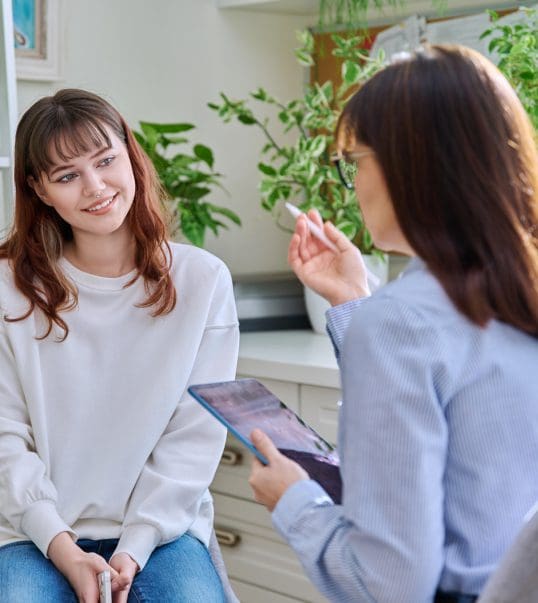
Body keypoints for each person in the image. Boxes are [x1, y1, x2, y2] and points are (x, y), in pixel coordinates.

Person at [248, 44, 538, 603]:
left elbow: (391, 585)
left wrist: (295, 500)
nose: (353, 183)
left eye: (355, 161)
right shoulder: (513, 294)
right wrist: (354, 298)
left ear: (410, 166)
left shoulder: (400, 322)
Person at [0, 89, 239, 602]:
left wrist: (132, 549)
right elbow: (5, 441)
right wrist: (64, 548)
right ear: (39, 190)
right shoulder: (8, 287)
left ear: (130, 155)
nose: (96, 186)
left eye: (106, 161)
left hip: (161, 533)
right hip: (27, 531)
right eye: (67, 176)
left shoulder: (203, 281)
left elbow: (193, 441)